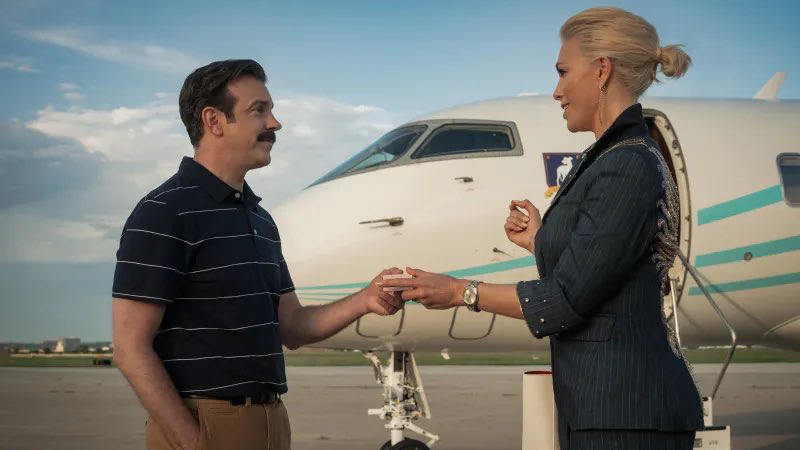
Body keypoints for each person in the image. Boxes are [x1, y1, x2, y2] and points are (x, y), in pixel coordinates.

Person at [380, 7, 704, 449]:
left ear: (602, 71)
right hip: (603, 409)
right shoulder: (608, 158)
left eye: (563, 72)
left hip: (628, 413)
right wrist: (540, 240)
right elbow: (602, 268)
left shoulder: (626, 164)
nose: (557, 91)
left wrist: (460, 292)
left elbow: (566, 299)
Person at [111, 59, 404, 450]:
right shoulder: (164, 212)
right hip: (205, 424)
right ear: (214, 121)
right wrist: (194, 442)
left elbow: (294, 327)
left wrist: (365, 300)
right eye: (258, 111)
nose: (275, 123)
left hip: (270, 421)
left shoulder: (260, 220)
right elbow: (130, 348)